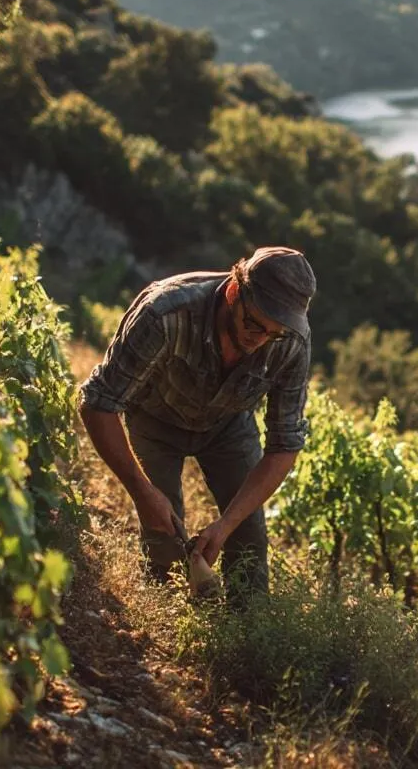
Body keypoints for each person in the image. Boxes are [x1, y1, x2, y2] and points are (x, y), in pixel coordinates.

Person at [77, 246, 316, 608]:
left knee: (248, 537)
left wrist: (225, 524)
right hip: (155, 418)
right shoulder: (164, 314)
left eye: (274, 333)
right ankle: (165, 618)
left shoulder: (291, 339)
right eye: (254, 323)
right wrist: (142, 492)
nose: (260, 339)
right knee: (164, 538)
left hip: (229, 424)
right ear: (235, 291)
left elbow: (285, 444)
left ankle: (246, 628)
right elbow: (98, 402)